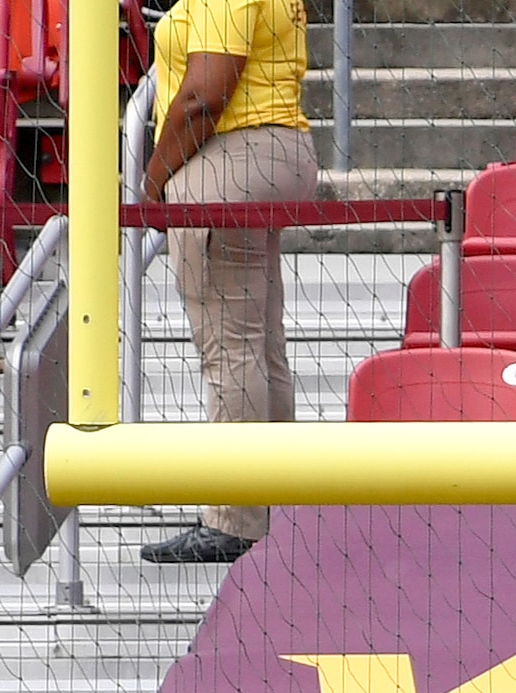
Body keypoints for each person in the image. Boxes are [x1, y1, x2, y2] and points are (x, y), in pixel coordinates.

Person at [140, 0, 314, 566]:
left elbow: (203, 95)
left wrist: (154, 177)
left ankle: (236, 520)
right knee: (261, 343)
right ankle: (277, 505)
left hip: (229, 160)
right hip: (275, 150)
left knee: (229, 348)